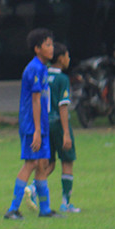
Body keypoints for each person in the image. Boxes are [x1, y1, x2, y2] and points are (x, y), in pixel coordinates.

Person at [3, 28, 60, 220]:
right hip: (31, 125)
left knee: (43, 164)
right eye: (47, 45)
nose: (52, 48)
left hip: (40, 124)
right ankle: (12, 209)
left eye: (52, 44)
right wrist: (36, 130)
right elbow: (35, 100)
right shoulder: (34, 68)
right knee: (31, 162)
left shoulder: (43, 67)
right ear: (37, 49)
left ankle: (45, 210)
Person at [47, 42, 80, 213]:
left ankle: (31, 188)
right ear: (61, 59)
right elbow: (63, 106)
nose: (69, 59)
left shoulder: (43, 75)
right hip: (58, 124)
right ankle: (65, 203)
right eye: (67, 56)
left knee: (49, 163)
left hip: (45, 124)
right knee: (67, 161)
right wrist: (66, 133)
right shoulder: (62, 79)